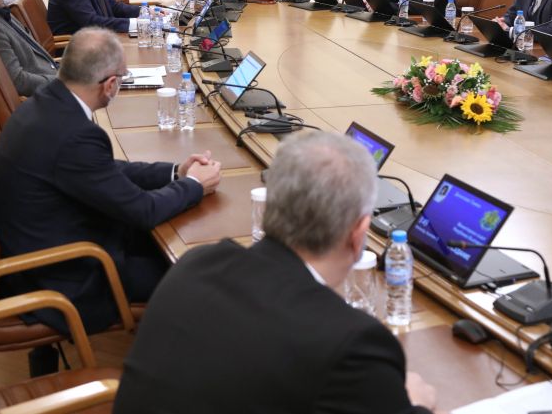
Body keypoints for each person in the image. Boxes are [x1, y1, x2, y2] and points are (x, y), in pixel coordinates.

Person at [114, 132, 438, 414]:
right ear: (358, 234)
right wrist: (416, 404)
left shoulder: (196, 262)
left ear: (270, 208)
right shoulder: (351, 343)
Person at [0, 27, 222, 336]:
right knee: (202, 276)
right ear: (110, 85)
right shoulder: (75, 134)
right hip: (66, 277)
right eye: (123, 78)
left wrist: (176, 172)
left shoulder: (44, 104)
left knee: (176, 245)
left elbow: (105, 170)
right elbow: (144, 211)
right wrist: (194, 185)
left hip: (42, 245)